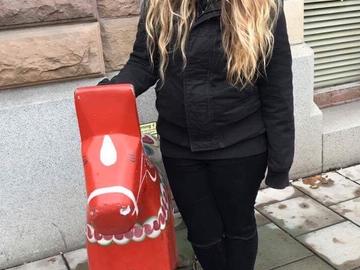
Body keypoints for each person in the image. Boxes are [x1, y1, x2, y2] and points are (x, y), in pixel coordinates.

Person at [97, 0, 295, 269]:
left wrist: (280, 161)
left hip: (241, 146)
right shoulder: (160, 5)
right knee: (202, 233)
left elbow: (277, 86)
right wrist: (108, 95)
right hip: (181, 147)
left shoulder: (262, 6)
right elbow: (144, 62)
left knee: (239, 227)